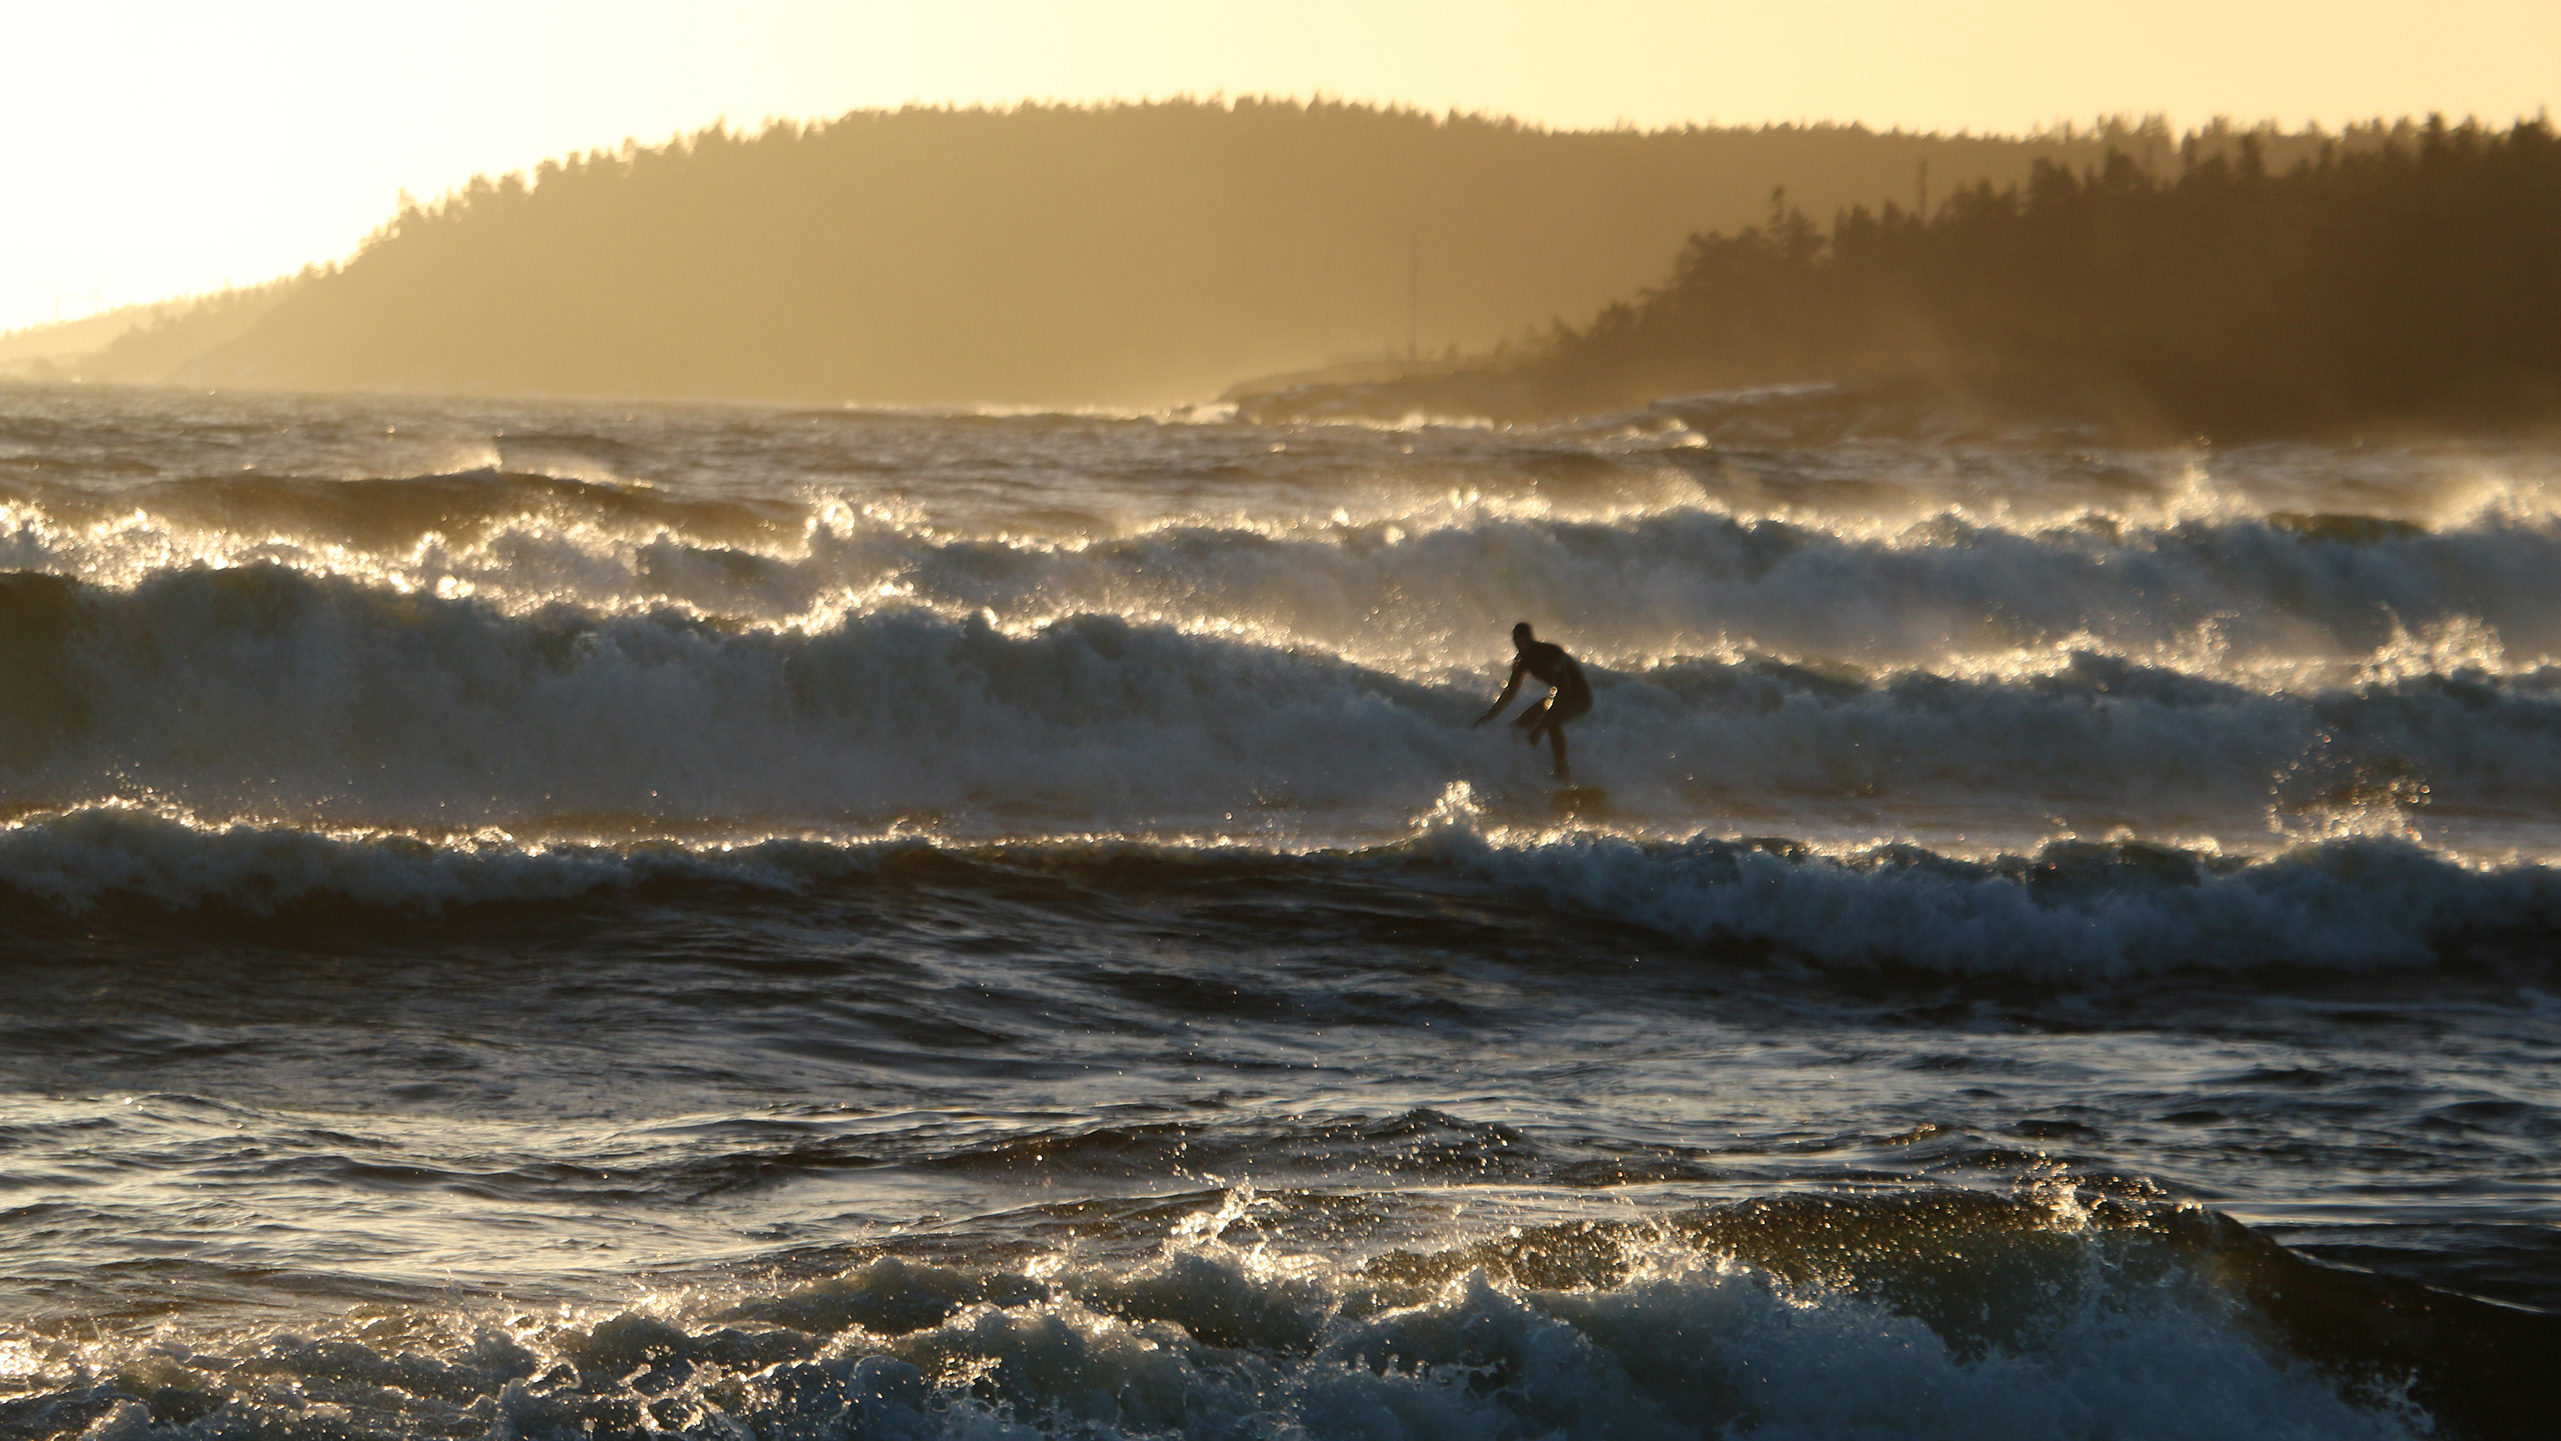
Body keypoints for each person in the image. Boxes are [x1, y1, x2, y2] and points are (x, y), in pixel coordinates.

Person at [1472, 621, 1591, 781]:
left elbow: (1564, 688)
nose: (1521, 645)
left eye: (1524, 641)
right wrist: (1491, 714)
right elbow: (1511, 691)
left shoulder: (1551, 653)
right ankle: (1524, 773)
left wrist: (1541, 726)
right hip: (1557, 696)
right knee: (1518, 727)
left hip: (1580, 697)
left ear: (1531, 638)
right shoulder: (1522, 661)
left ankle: (1562, 772)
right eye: (1517, 642)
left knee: (1552, 722)